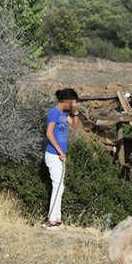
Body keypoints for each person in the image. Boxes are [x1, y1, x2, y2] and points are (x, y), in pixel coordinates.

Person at [44, 88, 80, 229]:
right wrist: (60, 152)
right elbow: (49, 133)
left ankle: (57, 219)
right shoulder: (54, 112)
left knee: (60, 187)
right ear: (66, 101)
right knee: (57, 186)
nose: (74, 104)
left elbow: (75, 126)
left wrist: (75, 113)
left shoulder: (64, 114)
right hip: (53, 155)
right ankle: (51, 220)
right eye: (73, 102)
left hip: (60, 155)